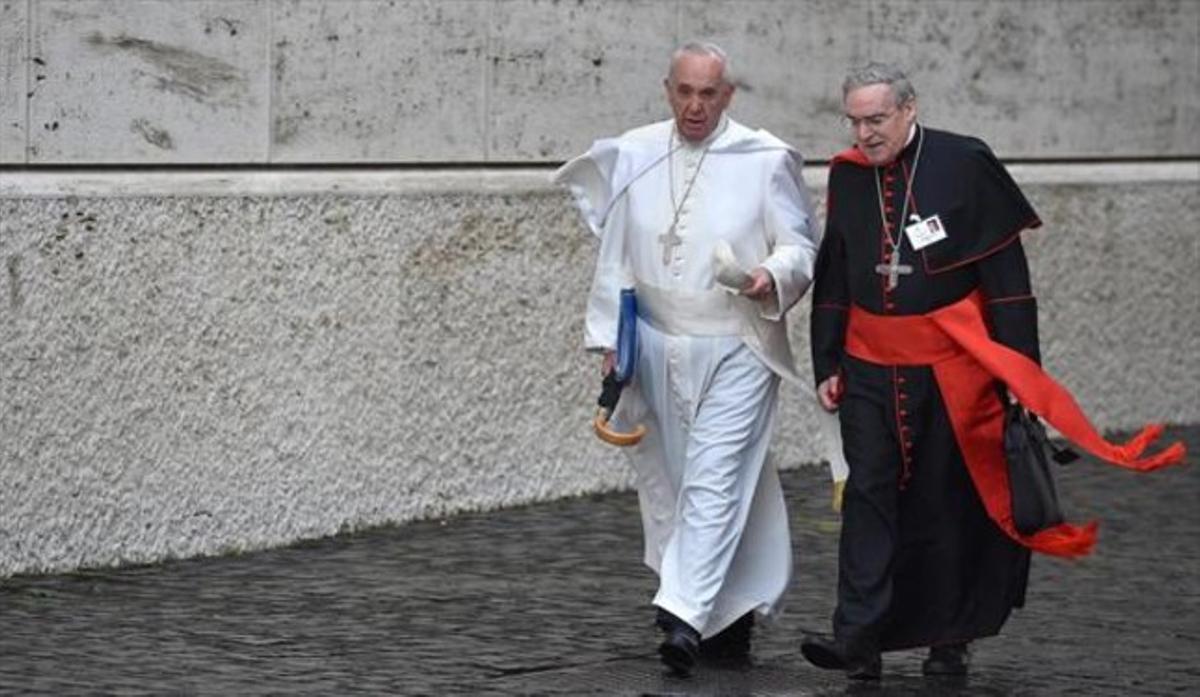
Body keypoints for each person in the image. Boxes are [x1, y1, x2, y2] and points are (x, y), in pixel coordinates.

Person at [802, 62, 1184, 681]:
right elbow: (835, 273)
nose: (864, 134)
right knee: (868, 494)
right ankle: (858, 637)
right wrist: (826, 360)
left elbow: (1007, 285)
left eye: (876, 120)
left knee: (946, 499)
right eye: (854, 121)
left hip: (951, 370)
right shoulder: (848, 177)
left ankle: (950, 638)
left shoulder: (964, 164)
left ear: (908, 109)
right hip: (870, 367)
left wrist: (1019, 374)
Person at [553, 42, 820, 676]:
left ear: (728, 96)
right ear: (667, 89)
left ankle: (679, 616)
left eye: (709, 94)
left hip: (738, 344)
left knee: (714, 476)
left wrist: (768, 275)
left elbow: (801, 248)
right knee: (678, 480)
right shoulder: (638, 153)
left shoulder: (764, 158)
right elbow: (615, 256)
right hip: (655, 345)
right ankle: (726, 617)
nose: (694, 106)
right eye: (684, 92)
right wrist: (610, 344)